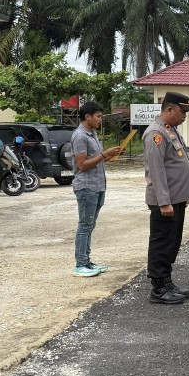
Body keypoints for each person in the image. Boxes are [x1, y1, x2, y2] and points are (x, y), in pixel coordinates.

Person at [143, 92, 189, 305]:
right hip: (164, 202)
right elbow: (156, 171)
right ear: (169, 110)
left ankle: (167, 282)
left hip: (175, 199)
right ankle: (158, 290)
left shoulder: (169, 130)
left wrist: (182, 196)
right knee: (161, 243)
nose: (185, 116)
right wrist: (164, 201)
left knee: (172, 243)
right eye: (182, 111)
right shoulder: (155, 133)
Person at [71, 101, 123, 277]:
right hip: (86, 186)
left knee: (90, 224)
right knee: (85, 225)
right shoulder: (80, 136)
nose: (101, 119)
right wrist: (104, 154)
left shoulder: (92, 134)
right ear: (88, 117)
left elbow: (97, 160)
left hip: (98, 185)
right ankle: (80, 264)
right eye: (98, 116)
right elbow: (82, 165)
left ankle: (86, 261)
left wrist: (110, 155)